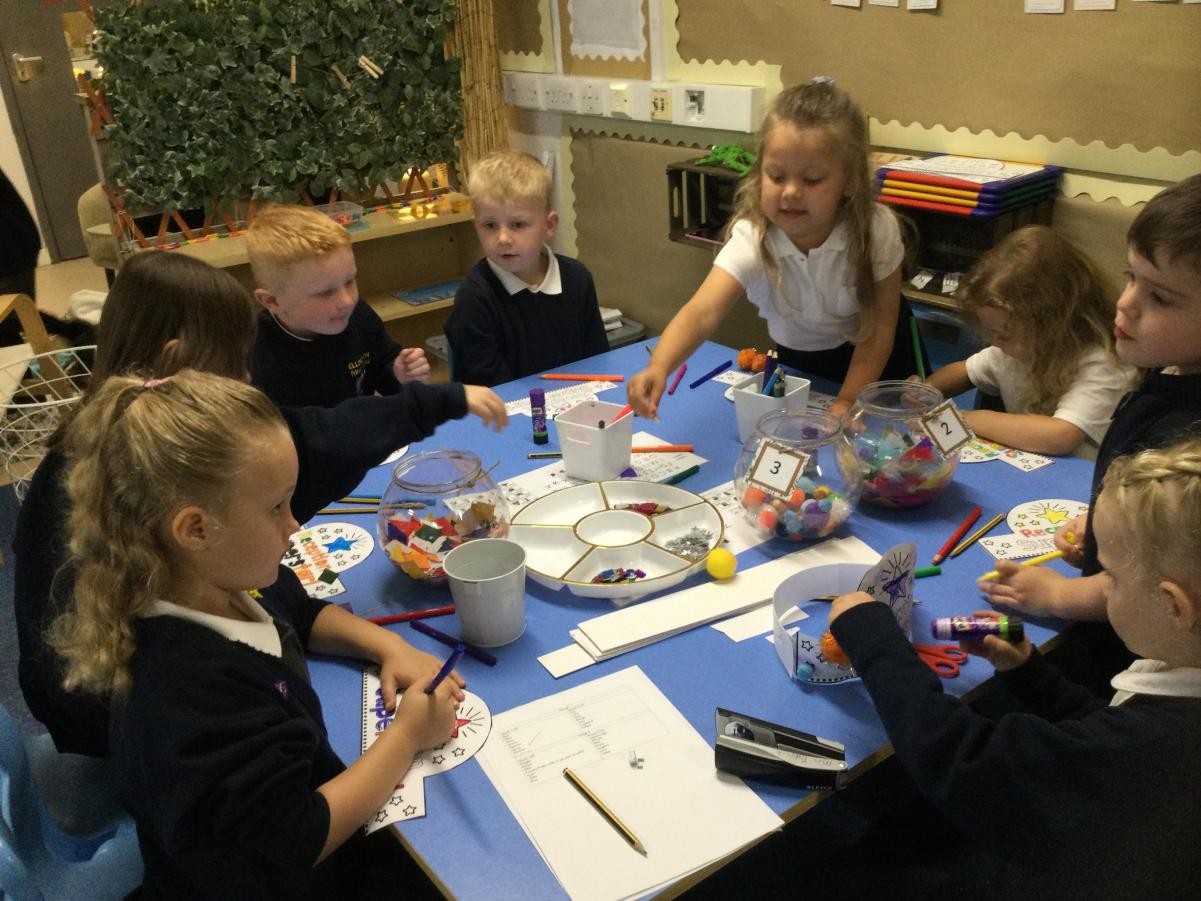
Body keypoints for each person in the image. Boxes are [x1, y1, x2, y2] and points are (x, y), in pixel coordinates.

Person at [14, 251, 507, 757]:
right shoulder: (177, 657)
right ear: (174, 362)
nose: (250, 381)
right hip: (118, 741)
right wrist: (400, 741)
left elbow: (274, 599)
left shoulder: (164, 485)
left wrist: (386, 644)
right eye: (238, 366)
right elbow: (293, 825)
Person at [49, 370, 464, 898]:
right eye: (275, 508)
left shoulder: (220, 579)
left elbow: (301, 612)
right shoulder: (188, 691)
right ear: (195, 529)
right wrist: (405, 738)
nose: (295, 527)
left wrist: (388, 644)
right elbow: (297, 838)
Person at [825, 439, 1201, 900]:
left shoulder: (1157, 752)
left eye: (1110, 578)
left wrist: (873, 639)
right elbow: (1102, 732)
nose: (1104, 589)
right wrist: (1028, 672)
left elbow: (963, 760)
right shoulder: (1178, 689)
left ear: (1174, 607)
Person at [978, 174, 1201, 690]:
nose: (1125, 304)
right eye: (1131, 277)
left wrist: (1059, 596)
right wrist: (1106, 527)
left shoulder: (1188, 436)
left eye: (1161, 298)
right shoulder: (1168, 367)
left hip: (1127, 657)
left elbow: (1163, 583)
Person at [629, 79, 924, 420]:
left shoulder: (875, 230)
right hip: (802, 362)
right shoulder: (753, 237)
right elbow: (702, 312)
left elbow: (880, 329)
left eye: (812, 179)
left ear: (849, 181)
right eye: (776, 175)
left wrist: (847, 400)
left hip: (880, 363)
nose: (791, 192)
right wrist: (659, 366)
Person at [924, 225, 1133, 458]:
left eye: (1004, 334)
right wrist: (924, 393)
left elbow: (1060, 435)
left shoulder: (1102, 362)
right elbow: (963, 371)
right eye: (991, 331)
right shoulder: (1011, 351)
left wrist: (963, 419)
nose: (995, 341)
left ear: (1053, 324)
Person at [444, 149, 608, 386]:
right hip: (506, 417)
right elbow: (488, 393)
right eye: (489, 225)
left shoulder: (577, 279)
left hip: (576, 409)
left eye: (517, 224)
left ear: (549, 225)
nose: (502, 238)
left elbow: (598, 364)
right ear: (475, 226)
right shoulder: (474, 299)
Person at [247, 203, 431, 407]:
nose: (347, 301)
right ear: (272, 301)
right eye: (325, 293)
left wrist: (400, 375)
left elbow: (384, 366)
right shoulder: (256, 357)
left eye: (350, 282)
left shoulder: (358, 315)